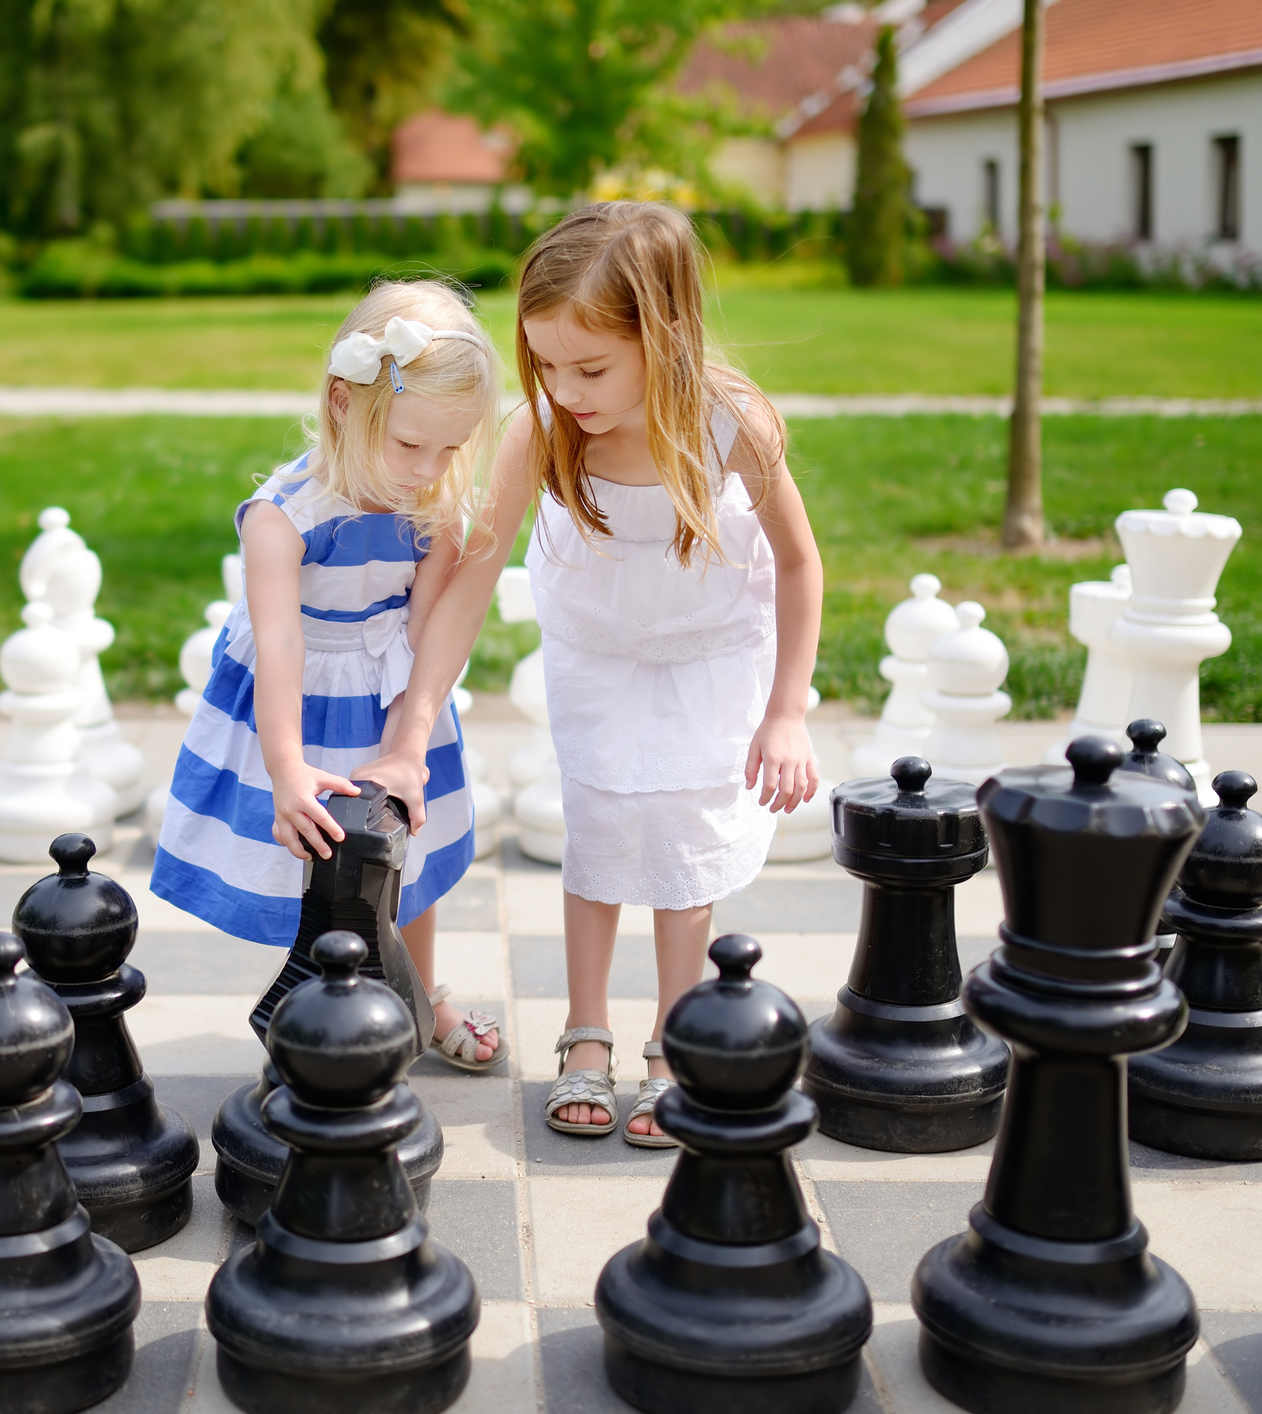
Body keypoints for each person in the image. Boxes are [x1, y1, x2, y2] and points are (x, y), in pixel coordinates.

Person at [361, 203, 825, 1143]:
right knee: (603, 820)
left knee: (686, 833)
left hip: (710, 651)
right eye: (546, 364)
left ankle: (668, 1037)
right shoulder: (545, 431)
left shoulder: (734, 423)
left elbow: (801, 564)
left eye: (590, 367)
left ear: (665, 334)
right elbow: (472, 577)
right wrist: (412, 726)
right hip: (599, 653)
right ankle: (585, 1033)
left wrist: (787, 710)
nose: (565, 387)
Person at [151, 280, 509, 1072]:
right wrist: (285, 767)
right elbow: (278, 644)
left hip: (389, 695)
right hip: (296, 710)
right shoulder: (283, 516)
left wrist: (404, 745)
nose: (429, 470)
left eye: (451, 449)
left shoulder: (434, 504)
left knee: (400, 862)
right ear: (344, 404)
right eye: (411, 446)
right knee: (309, 874)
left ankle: (419, 996)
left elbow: (426, 636)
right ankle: (324, 1009)